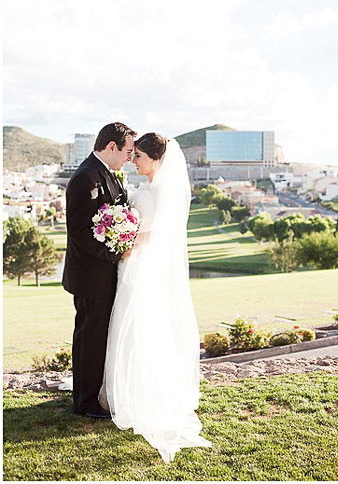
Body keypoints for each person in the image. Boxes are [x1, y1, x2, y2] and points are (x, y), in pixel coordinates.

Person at [102, 133, 211, 462]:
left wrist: (127, 244)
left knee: (142, 327)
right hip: (130, 264)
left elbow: (160, 232)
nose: (133, 161)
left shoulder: (165, 189)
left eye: (138, 156)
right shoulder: (145, 188)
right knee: (125, 326)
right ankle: (121, 389)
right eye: (132, 155)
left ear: (155, 158)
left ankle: (141, 395)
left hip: (143, 267)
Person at [62, 122, 136, 418]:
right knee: (89, 338)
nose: (129, 157)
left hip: (102, 273)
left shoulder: (105, 173)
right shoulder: (85, 178)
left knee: (97, 336)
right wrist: (115, 252)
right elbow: (80, 231)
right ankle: (85, 402)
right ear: (111, 147)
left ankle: (91, 394)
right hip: (90, 276)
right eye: (128, 151)